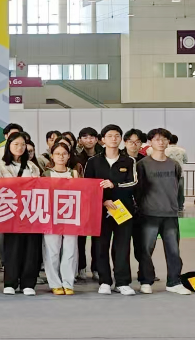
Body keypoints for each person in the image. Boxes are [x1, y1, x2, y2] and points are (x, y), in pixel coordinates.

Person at [136, 129, 191, 295]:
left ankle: (174, 282)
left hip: (170, 214)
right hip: (149, 214)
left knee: (173, 250)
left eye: (164, 139)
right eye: (157, 139)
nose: (161, 142)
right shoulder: (142, 165)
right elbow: (139, 190)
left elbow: (176, 186)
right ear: (150, 142)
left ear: (168, 142)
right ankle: (146, 281)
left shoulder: (174, 165)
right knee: (146, 250)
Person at [84, 124, 138, 296]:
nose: (113, 139)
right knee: (100, 246)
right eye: (109, 136)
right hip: (100, 209)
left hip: (123, 209)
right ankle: (104, 281)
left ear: (121, 139)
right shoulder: (93, 162)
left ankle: (122, 282)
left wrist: (115, 185)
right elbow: (87, 186)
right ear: (102, 139)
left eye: (117, 135)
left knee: (122, 246)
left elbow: (133, 183)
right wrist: (103, 201)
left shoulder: (129, 161)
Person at [0, 132, 42, 296]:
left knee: (31, 248)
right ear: (9, 146)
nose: (19, 148)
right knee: (12, 248)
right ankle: (10, 282)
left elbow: (39, 188)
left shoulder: (32, 167)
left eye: (22, 145)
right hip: (11, 212)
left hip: (31, 212)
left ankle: (28, 283)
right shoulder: (1, 166)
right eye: (16, 144)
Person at [42, 142, 81, 296]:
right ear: (52, 156)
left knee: (70, 250)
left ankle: (68, 282)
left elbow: (83, 192)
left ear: (69, 156)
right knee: (52, 250)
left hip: (71, 215)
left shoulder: (74, 173)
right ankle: (54, 283)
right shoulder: (46, 174)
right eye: (57, 153)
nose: (61, 156)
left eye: (64, 153)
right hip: (51, 217)